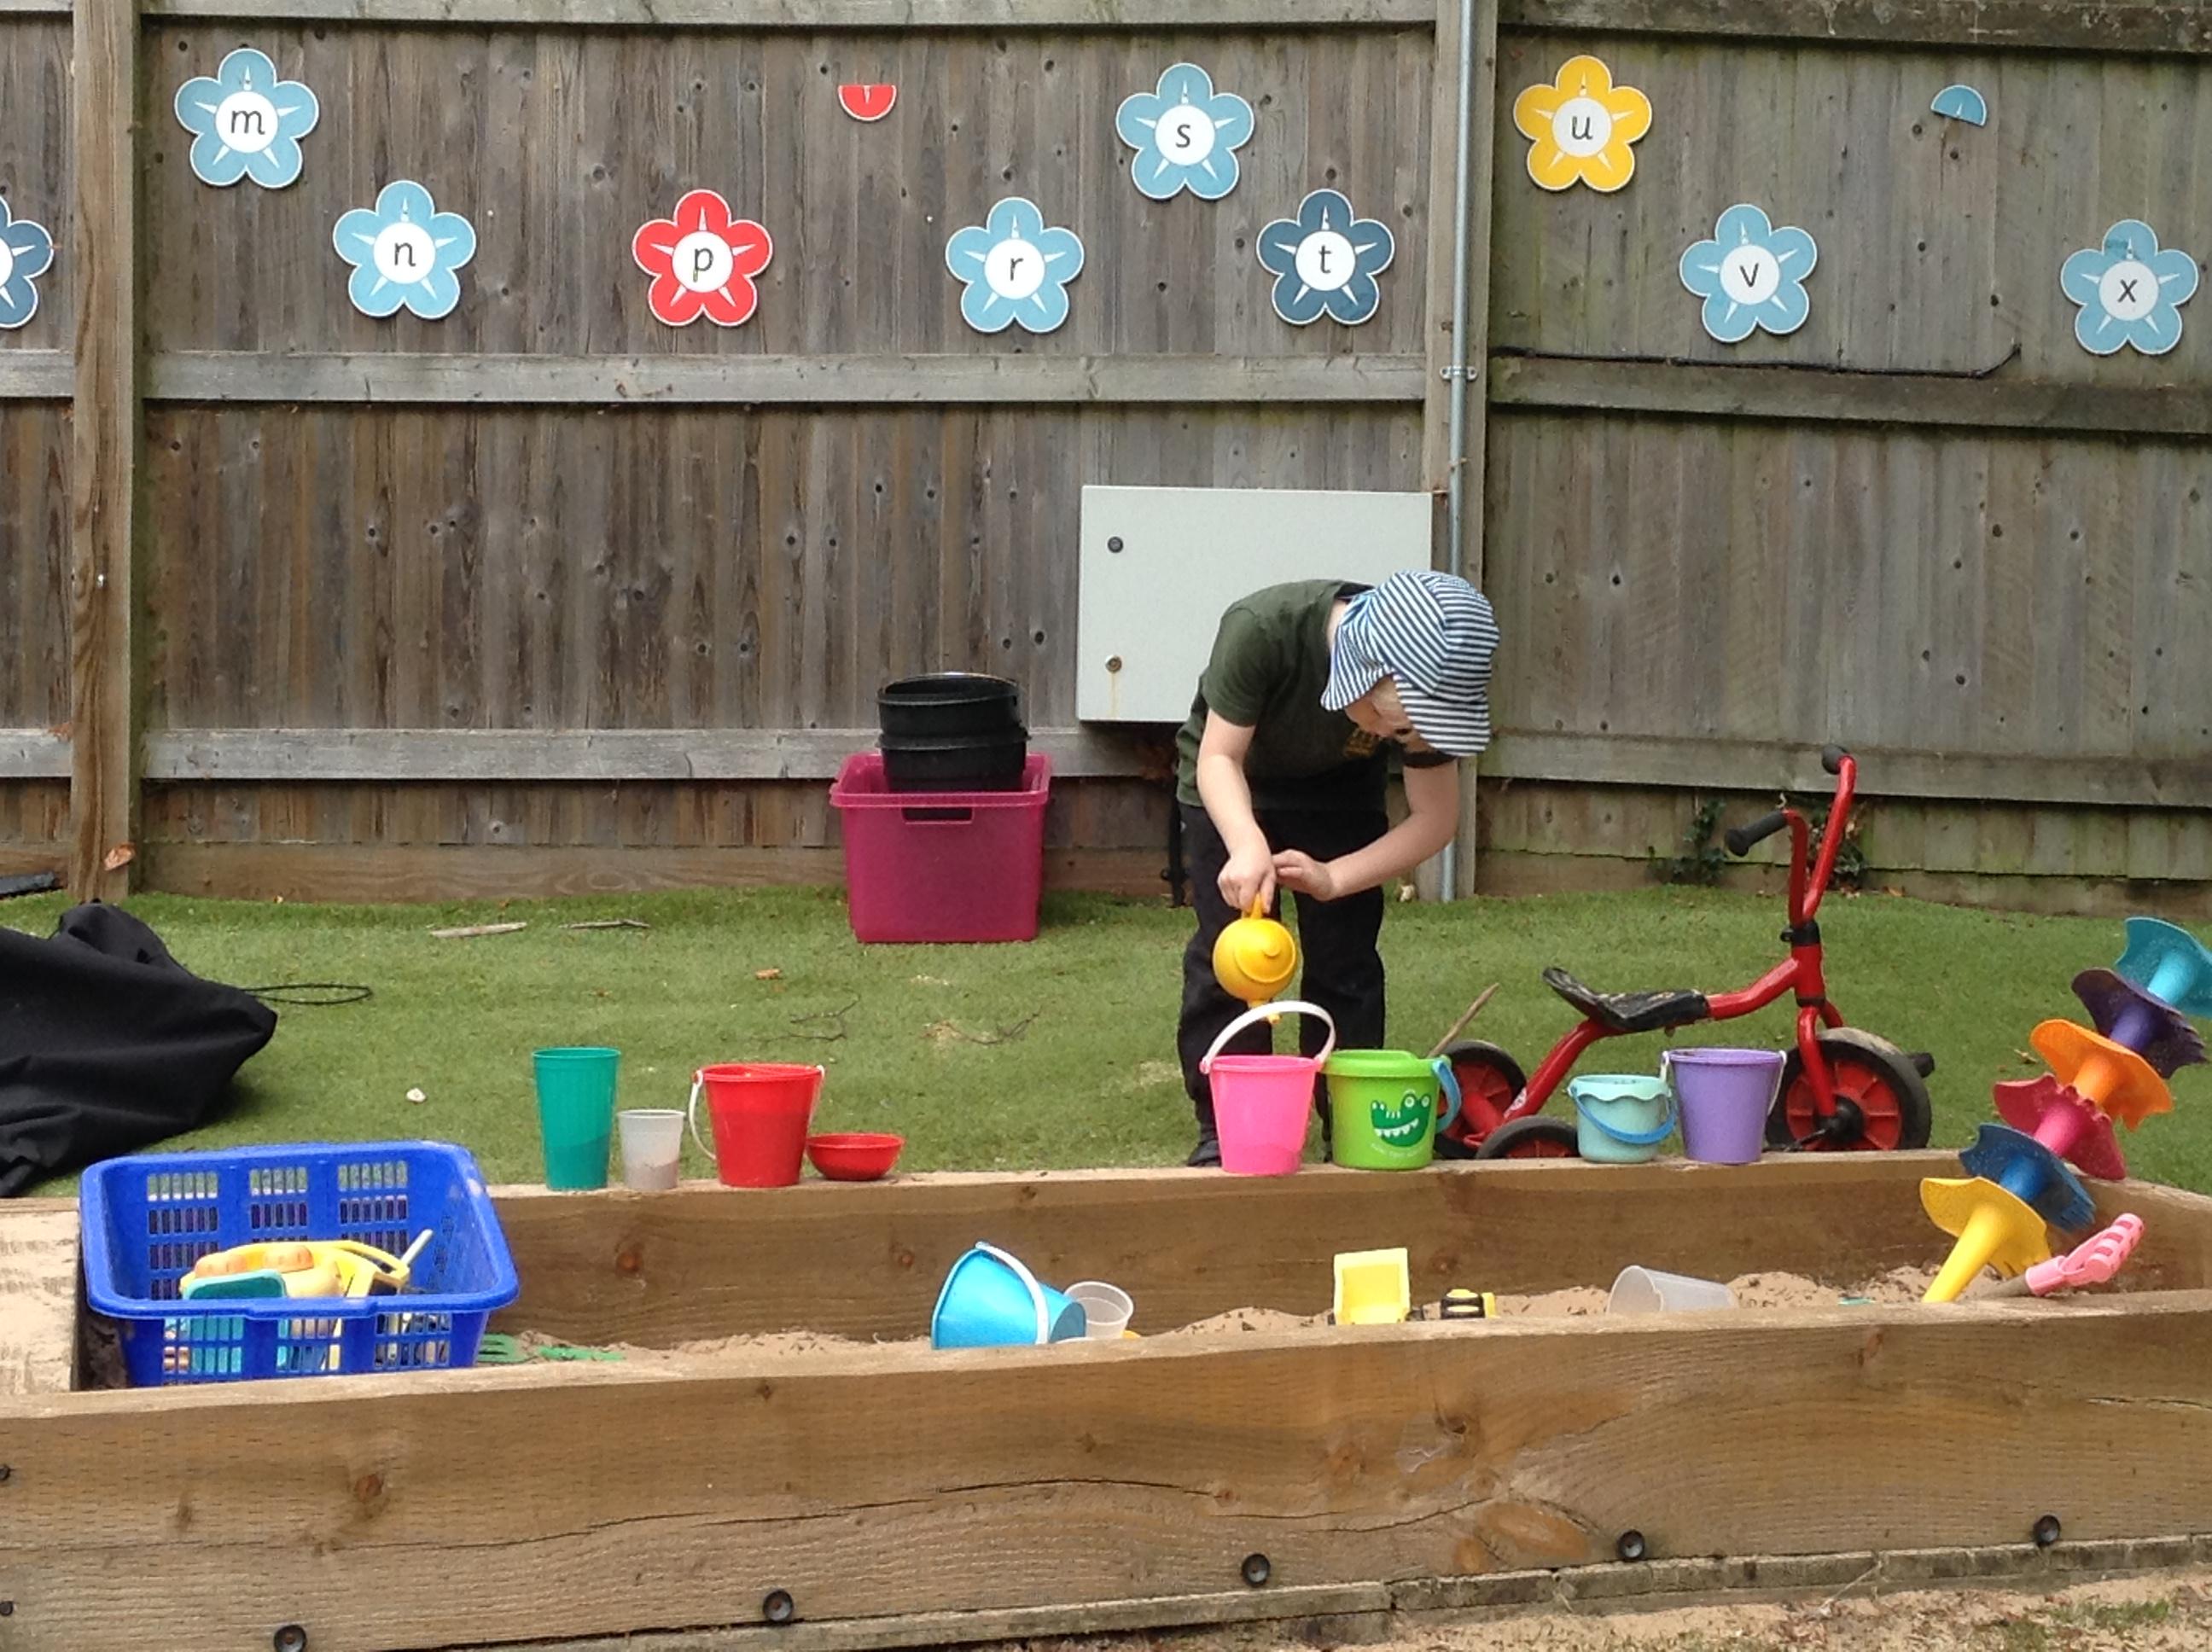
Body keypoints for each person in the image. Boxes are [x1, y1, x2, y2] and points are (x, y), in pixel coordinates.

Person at [1173, 570, 1499, 1166]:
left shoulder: (1427, 681)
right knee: (1236, 959)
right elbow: (1218, 758)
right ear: (1361, 672)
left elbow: (1435, 818)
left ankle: (1349, 1123)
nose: (1401, 738)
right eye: (1396, 726)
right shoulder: (1261, 630)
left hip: (1340, 797)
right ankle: (1229, 1129)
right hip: (1230, 781)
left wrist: (1335, 879)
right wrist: (1246, 843)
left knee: (1346, 962)